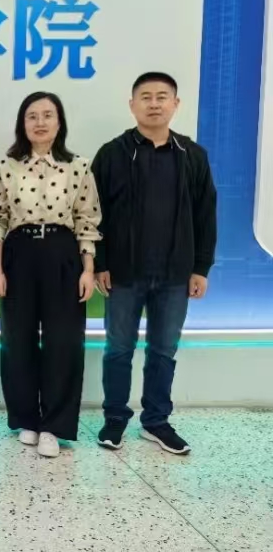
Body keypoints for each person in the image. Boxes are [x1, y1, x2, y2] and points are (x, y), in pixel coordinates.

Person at [93, 72, 217, 456]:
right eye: (145, 96)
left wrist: (200, 268)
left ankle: (156, 421)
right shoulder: (112, 154)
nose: (154, 103)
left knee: (163, 350)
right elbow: (93, 213)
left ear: (175, 104)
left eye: (162, 96)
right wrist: (100, 262)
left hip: (175, 274)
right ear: (132, 105)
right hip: (123, 273)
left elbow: (206, 214)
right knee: (118, 349)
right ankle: (115, 418)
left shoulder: (192, 155)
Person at [0, 92, 101, 458]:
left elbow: (87, 220)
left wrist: (87, 269)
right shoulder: (6, 165)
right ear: (22, 124)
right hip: (18, 254)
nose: (40, 122)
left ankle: (54, 425)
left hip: (62, 253)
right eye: (32, 116)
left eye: (48, 115)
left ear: (59, 122)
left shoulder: (78, 166)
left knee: (63, 341)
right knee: (17, 339)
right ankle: (26, 419)